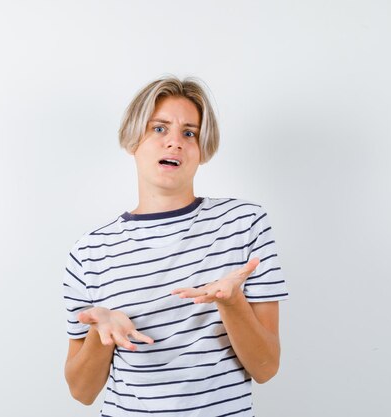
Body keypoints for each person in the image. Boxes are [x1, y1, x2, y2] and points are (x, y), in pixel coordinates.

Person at [62, 76, 289, 417]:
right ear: (133, 138)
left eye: (189, 132)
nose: (175, 143)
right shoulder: (90, 252)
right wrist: (101, 333)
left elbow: (266, 367)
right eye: (159, 129)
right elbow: (82, 392)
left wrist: (232, 304)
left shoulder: (245, 224)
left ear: (202, 148)